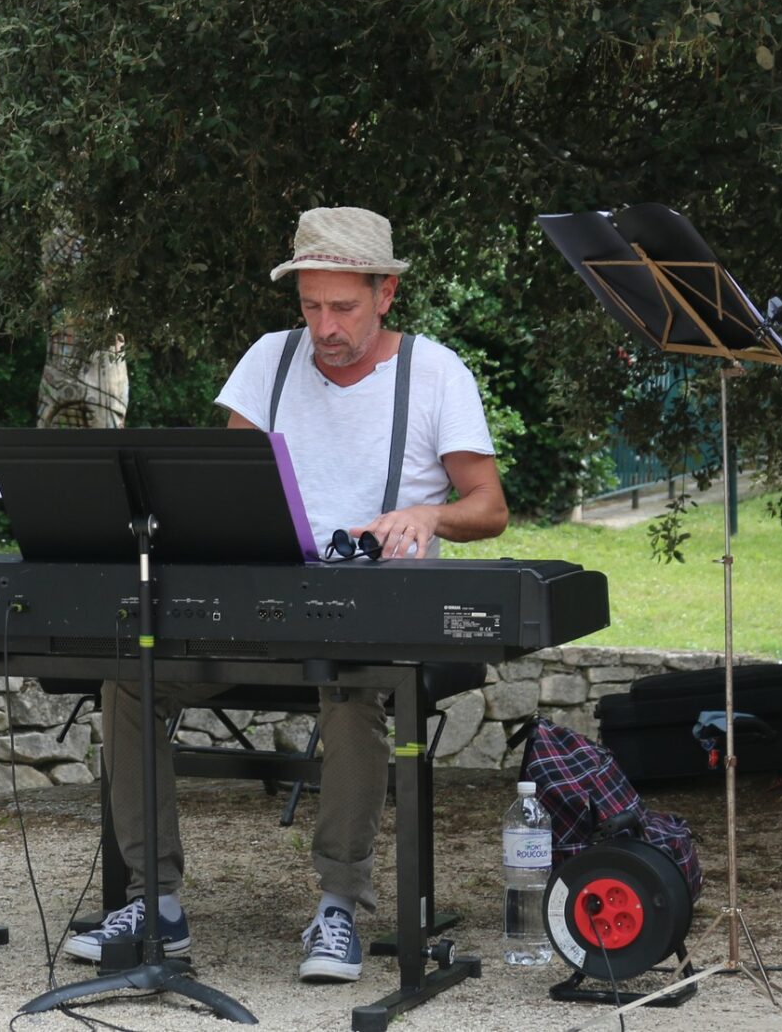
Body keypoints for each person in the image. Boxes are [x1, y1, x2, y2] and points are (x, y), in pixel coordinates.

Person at [65, 206, 507, 981]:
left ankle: (338, 904)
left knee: (353, 693)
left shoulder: (436, 374)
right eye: (310, 306)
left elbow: (489, 508)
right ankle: (156, 903)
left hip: (366, 624)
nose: (324, 326)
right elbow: (224, 487)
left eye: (342, 307)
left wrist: (426, 513)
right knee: (129, 682)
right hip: (254, 610)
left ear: (386, 296)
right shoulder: (269, 360)